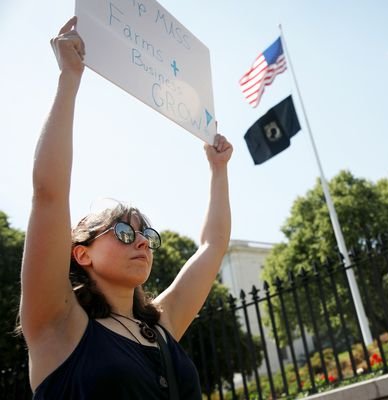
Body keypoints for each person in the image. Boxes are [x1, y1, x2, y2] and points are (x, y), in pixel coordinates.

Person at [19, 17, 233, 399]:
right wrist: (69, 77)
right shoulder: (57, 324)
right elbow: (48, 193)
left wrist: (218, 171)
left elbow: (212, 247)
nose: (142, 242)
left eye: (146, 234)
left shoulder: (162, 324)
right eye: (123, 232)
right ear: (81, 252)